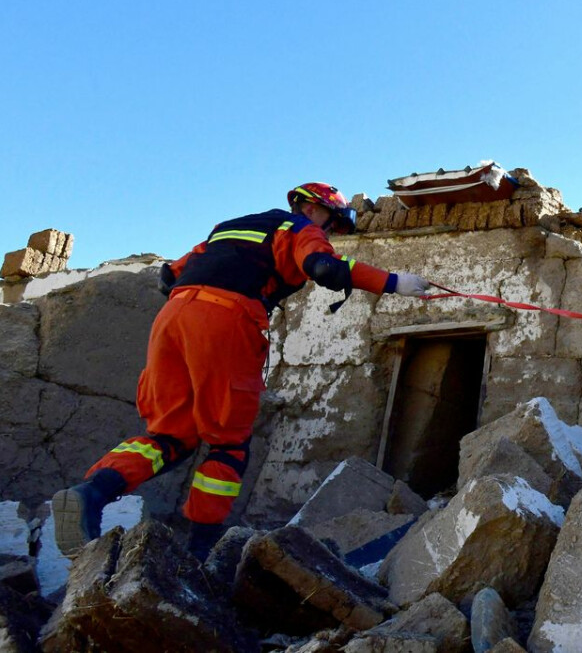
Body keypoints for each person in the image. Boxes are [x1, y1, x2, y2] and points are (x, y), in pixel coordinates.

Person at [51, 182, 430, 560]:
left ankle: (91, 494)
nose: (330, 233)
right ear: (315, 209)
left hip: (173, 318)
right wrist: (395, 283)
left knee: (170, 436)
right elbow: (323, 266)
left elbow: (168, 276)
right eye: (332, 224)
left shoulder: (231, 227)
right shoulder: (301, 229)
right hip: (226, 320)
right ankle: (201, 550)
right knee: (228, 443)